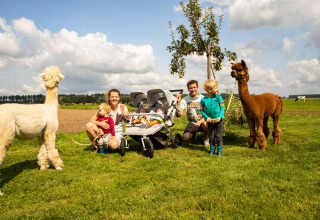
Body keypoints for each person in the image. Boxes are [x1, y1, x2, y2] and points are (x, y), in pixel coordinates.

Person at [176, 80, 209, 146]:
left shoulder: (203, 98)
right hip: (191, 123)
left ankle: (206, 138)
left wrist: (199, 122)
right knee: (186, 138)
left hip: (202, 122)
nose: (193, 89)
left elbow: (208, 114)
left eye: (194, 87)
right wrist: (178, 102)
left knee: (206, 124)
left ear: (197, 88)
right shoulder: (184, 100)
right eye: (191, 88)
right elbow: (179, 115)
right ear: (188, 89)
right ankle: (192, 137)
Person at [200, 79, 225, 156]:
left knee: (218, 136)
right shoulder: (203, 100)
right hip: (210, 121)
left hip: (219, 120)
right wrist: (206, 118)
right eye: (216, 87)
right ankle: (212, 149)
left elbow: (222, 108)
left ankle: (219, 151)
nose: (218, 89)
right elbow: (201, 110)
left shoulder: (219, 98)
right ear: (209, 90)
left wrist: (220, 117)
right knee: (211, 136)